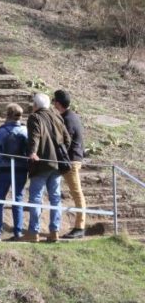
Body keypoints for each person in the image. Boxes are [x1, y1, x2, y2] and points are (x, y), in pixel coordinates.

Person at [19, 92, 71, 243]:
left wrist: (33, 152)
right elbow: (67, 139)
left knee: (36, 197)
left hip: (41, 164)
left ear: (36, 105)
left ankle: (33, 232)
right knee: (55, 198)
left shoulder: (35, 117)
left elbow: (34, 136)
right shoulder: (57, 116)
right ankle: (54, 231)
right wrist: (59, 153)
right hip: (56, 165)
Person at [0, 103, 29, 241]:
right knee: (17, 198)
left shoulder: (2, 131)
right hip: (21, 169)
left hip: (4, 168)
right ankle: (18, 231)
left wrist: (1, 156)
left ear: (7, 115)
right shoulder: (25, 131)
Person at [53, 90, 87, 239]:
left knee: (77, 194)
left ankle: (80, 227)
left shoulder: (67, 119)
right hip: (72, 159)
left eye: (54, 101)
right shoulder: (71, 116)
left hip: (70, 161)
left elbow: (64, 143)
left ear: (58, 104)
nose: (53, 103)